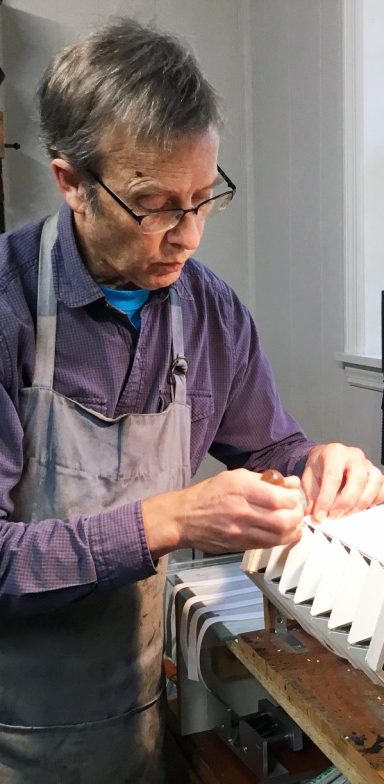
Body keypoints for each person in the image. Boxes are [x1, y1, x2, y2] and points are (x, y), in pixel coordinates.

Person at [0, 17, 382, 784]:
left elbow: (272, 452)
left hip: (132, 703)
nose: (189, 236)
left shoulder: (209, 312)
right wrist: (170, 520)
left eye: (205, 199)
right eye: (156, 204)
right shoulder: (9, 308)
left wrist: (320, 466)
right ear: (71, 181)